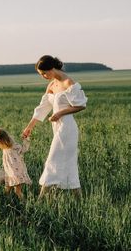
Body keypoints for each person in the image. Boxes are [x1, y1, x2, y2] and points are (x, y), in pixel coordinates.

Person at [23, 55, 87, 199]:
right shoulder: (52, 85)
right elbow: (43, 108)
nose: (44, 76)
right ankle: (79, 199)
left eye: (44, 73)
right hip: (57, 128)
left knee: (52, 161)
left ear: (52, 69)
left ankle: (40, 199)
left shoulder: (68, 82)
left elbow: (81, 105)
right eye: (41, 74)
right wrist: (29, 127)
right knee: (68, 164)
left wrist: (60, 113)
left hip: (67, 128)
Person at [0, 128, 32, 199]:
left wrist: (26, 139)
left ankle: (24, 203)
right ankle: (6, 200)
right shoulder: (5, 148)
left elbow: (24, 148)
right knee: (7, 189)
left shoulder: (14, 147)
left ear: (2, 141)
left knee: (17, 191)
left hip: (16, 174)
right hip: (9, 173)